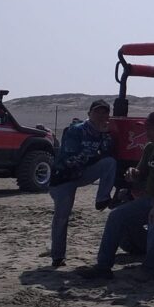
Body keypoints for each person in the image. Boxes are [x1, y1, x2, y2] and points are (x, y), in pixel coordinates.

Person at [76, 111, 154, 282]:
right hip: (150, 198)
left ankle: (149, 269)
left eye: (150, 129)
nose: (147, 133)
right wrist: (133, 173)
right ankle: (103, 266)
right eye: (146, 129)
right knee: (116, 216)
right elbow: (141, 172)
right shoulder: (151, 148)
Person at [47, 99, 117, 268]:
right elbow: (71, 159)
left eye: (105, 112)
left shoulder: (104, 132)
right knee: (62, 216)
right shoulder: (75, 130)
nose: (101, 116)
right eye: (97, 112)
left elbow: (107, 153)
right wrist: (92, 151)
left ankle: (102, 198)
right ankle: (58, 256)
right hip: (64, 177)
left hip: (83, 173)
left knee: (110, 163)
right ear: (89, 114)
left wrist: (107, 134)